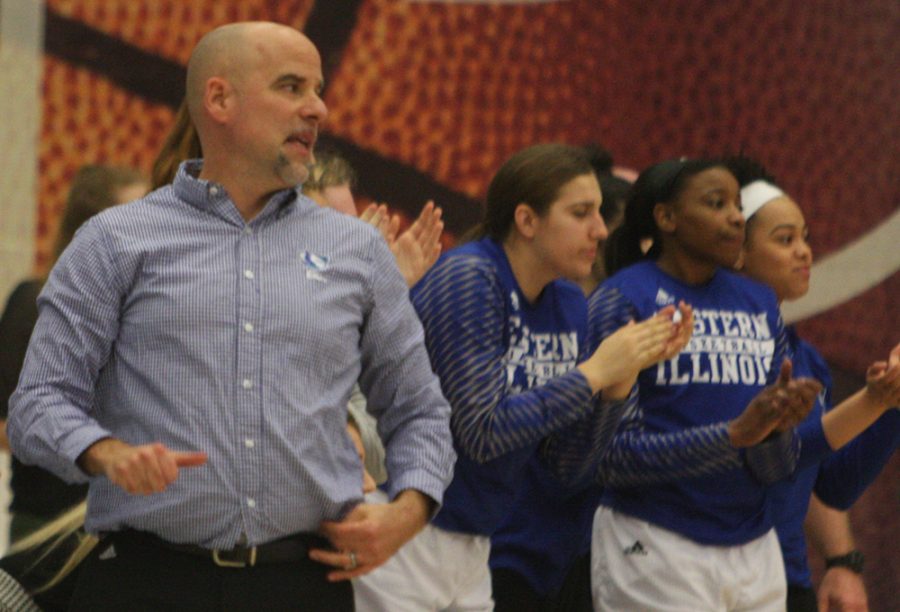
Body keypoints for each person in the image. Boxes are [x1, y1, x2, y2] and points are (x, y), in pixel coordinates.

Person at [8, 21, 454, 611]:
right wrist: (105, 451)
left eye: (318, 89)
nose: (317, 108)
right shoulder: (116, 242)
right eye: (291, 87)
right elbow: (37, 403)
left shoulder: (357, 251)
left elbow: (420, 408)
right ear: (219, 100)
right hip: (147, 581)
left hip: (302, 584)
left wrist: (411, 509)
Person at [353, 143, 692, 611]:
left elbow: (564, 467)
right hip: (403, 525)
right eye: (581, 212)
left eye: (598, 212)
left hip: (472, 541)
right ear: (527, 221)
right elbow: (480, 432)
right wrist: (594, 373)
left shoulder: (569, 304)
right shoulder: (470, 277)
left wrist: (617, 387)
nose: (599, 229)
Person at [541, 157, 828, 611]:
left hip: (754, 547)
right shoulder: (623, 299)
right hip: (655, 540)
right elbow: (610, 457)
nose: (736, 216)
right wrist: (732, 436)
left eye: (737, 204)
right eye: (717, 204)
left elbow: (777, 468)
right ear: (666, 217)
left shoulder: (758, 302)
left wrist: (777, 430)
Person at [728, 156, 900, 612]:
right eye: (784, 240)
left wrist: (891, 406)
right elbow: (769, 461)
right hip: (713, 575)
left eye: (805, 238)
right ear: (736, 251)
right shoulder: (719, 352)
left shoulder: (806, 359)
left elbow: (831, 486)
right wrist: (870, 400)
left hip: (786, 578)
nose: (805, 252)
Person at [0, 164, 148, 542]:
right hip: (49, 522)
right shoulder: (35, 303)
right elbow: (6, 425)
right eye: (137, 220)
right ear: (92, 231)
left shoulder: (151, 312)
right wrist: (96, 448)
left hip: (127, 524)